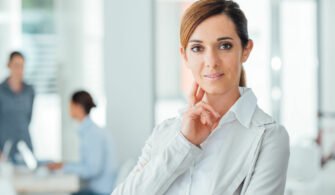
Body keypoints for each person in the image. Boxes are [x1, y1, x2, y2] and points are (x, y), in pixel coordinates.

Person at [112, 0, 290, 195]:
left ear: (245, 50)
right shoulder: (165, 132)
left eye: (224, 46)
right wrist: (185, 142)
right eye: (197, 48)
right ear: (185, 56)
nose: (211, 62)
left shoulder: (268, 137)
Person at [47, 90, 116, 195]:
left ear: (77, 107)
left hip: (101, 191)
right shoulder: (90, 131)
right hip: (97, 188)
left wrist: (64, 167)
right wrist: (65, 165)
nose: (68, 109)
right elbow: (88, 164)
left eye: (70, 105)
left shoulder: (93, 134)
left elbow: (92, 169)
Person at [0, 51, 35, 163]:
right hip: (4, 148)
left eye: (22, 66)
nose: (19, 70)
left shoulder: (29, 91)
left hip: (25, 147)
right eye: (16, 65)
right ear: (9, 65)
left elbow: (28, 118)